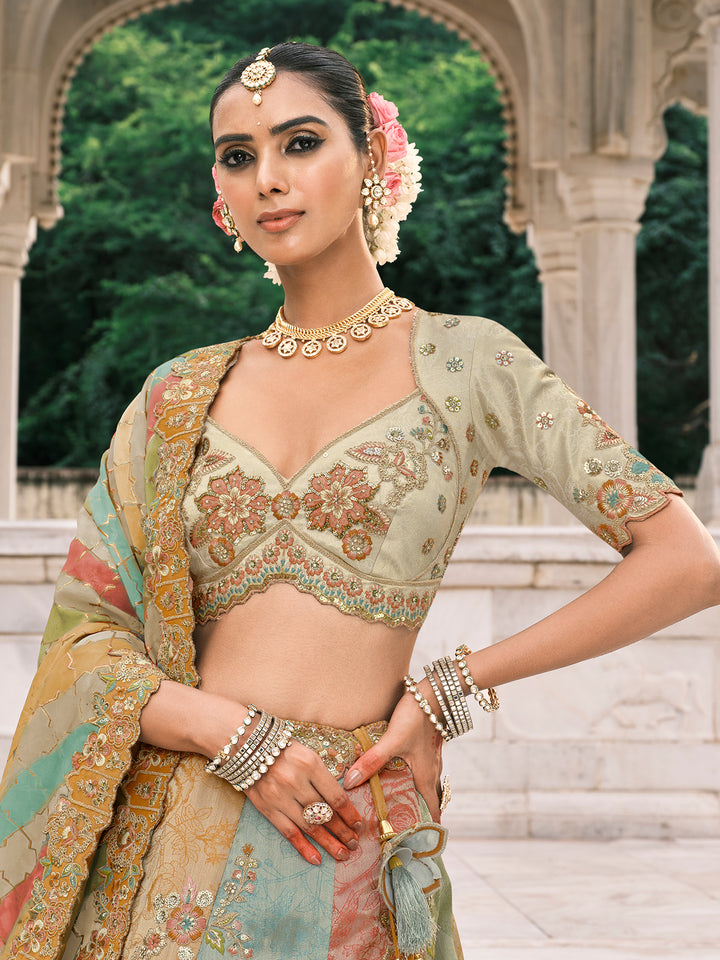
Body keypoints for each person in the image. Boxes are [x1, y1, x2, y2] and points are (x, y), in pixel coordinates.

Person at [1, 40, 719, 960]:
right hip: (168, 856)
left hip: (352, 841)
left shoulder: (468, 363)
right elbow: (87, 638)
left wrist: (452, 689)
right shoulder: (176, 394)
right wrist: (227, 731)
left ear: (372, 159)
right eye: (238, 156)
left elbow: (688, 562)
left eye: (300, 143)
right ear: (222, 198)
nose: (269, 178)